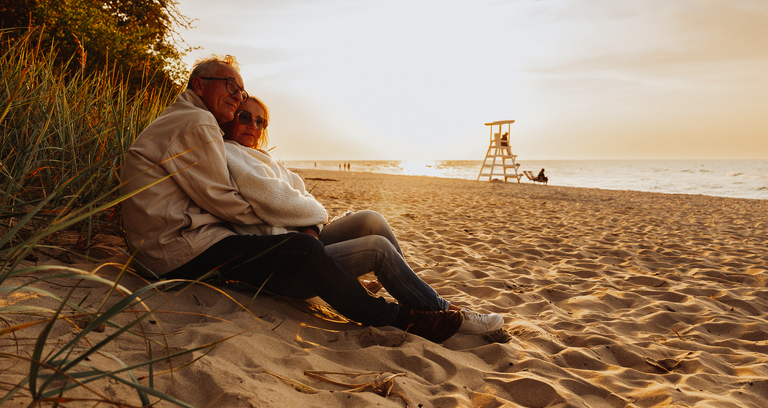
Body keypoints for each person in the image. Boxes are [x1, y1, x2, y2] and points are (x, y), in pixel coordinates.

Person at [121, 56, 501, 343]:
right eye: (231, 88)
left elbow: (286, 193)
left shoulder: (195, 121)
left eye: (247, 101)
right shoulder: (201, 125)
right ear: (199, 84)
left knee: (366, 221)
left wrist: (309, 222)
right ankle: (411, 316)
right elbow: (225, 201)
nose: (238, 100)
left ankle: (420, 299)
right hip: (175, 250)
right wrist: (304, 225)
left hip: (178, 240)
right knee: (314, 248)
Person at [221, 96, 504, 325]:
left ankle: (413, 296)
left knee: (371, 219)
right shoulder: (232, 155)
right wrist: (311, 218)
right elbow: (279, 201)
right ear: (230, 119)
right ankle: (442, 310)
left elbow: (304, 197)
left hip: (306, 240)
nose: (253, 125)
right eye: (245, 117)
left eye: (261, 121)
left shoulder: (265, 159)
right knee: (377, 249)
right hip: (290, 263)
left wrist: (312, 225)